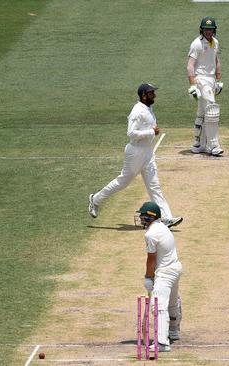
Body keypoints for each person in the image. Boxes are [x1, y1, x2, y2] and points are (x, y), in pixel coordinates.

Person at [88, 84, 183, 228]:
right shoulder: (137, 111)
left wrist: (151, 134)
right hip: (135, 152)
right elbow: (131, 133)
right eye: (151, 93)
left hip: (148, 153)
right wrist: (151, 132)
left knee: (154, 186)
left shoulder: (148, 108)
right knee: (123, 182)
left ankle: (166, 218)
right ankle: (95, 199)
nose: (154, 95)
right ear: (144, 95)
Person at [136, 201, 183, 352]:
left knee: (159, 305)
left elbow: (151, 258)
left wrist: (149, 278)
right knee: (172, 303)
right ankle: (173, 331)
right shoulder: (162, 226)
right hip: (175, 268)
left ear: (150, 217)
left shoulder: (150, 234)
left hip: (165, 273)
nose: (141, 219)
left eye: (143, 216)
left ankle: (162, 342)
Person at [187, 16, 224, 156]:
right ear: (201, 30)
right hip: (201, 79)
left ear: (214, 30)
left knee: (202, 112)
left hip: (211, 79)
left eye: (211, 29)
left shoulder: (215, 42)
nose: (208, 32)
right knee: (212, 109)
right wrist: (192, 85)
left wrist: (218, 79)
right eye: (206, 29)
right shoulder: (196, 44)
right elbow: (190, 66)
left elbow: (216, 60)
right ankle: (213, 145)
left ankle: (199, 144)